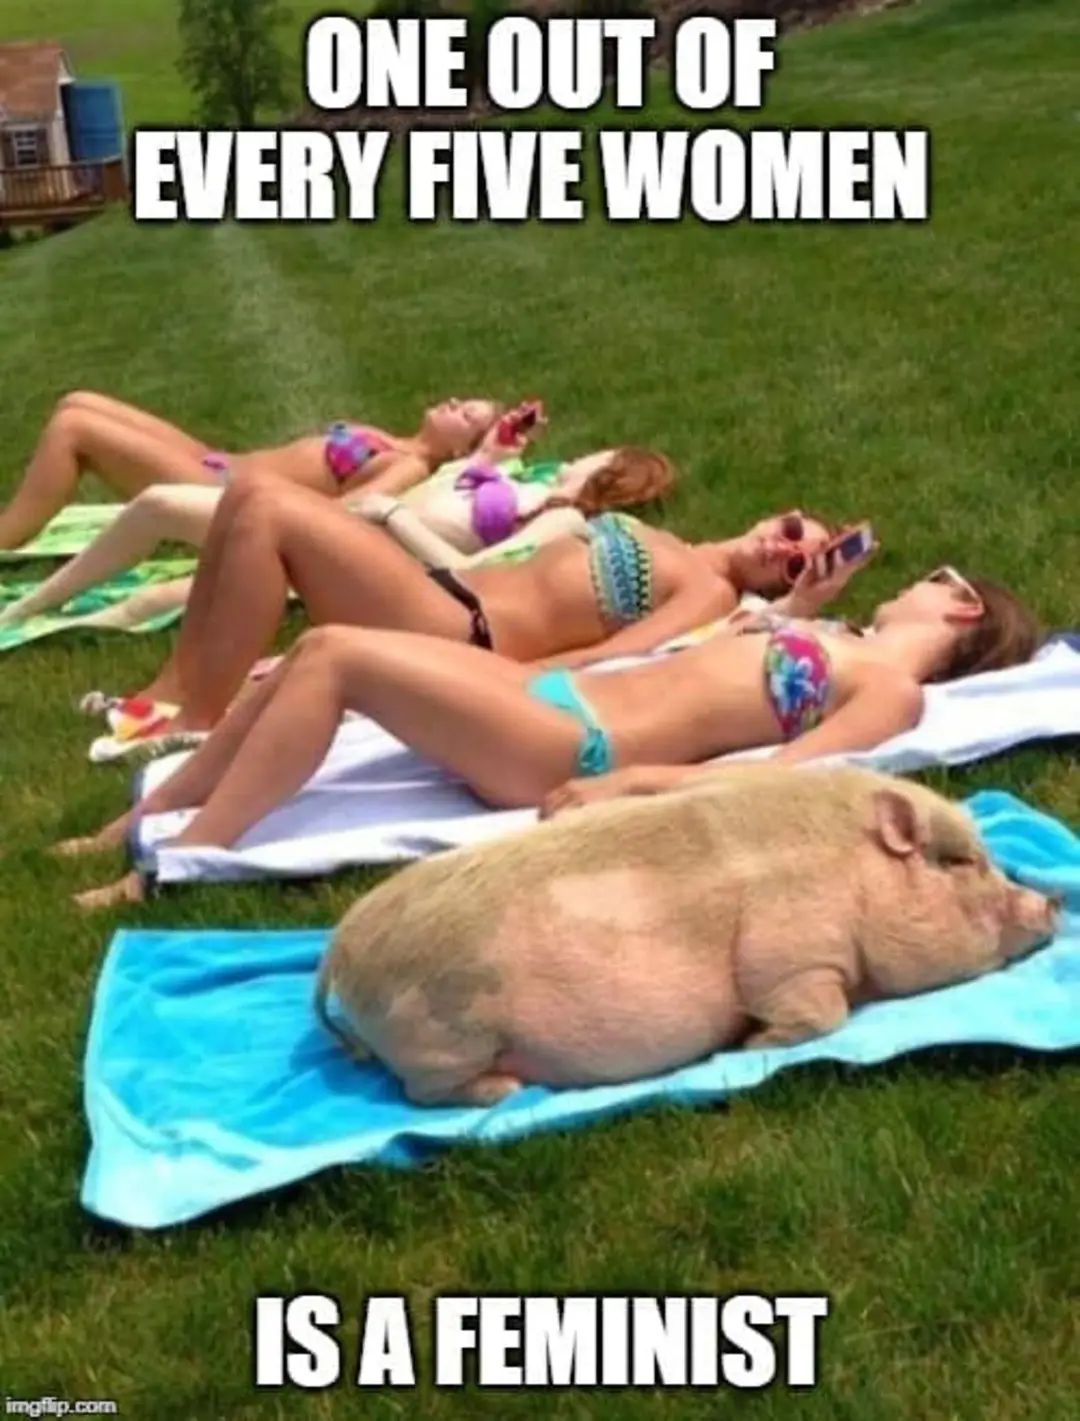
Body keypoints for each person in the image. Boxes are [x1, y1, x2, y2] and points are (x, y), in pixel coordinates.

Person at [61, 566, 1040, 910]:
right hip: (553, 696)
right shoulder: (845, 642)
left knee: (334, 661)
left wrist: (630, 789)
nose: (910, 581)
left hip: (579, 742)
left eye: (935, 578)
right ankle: (148, 815)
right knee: (323, 644)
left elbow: (785, 777)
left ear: (962, 609)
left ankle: (183, 859)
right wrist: (799, 608)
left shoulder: (891, 689)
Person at [105, 480, 838, 737]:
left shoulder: (711, 591)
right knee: (246, 500)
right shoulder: (676, 542)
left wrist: (513, 684)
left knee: (267, 508)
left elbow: (622, 657)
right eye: (792, 529)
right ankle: (167, 697)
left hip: (462, 631)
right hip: (444, 590)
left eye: (796, 560)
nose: (783, 546)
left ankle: (195, 722)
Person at [0, 447, 672, 632]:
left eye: (595, 455)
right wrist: (492, 454)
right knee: (159, 513)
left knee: (166, 554)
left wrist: (393, 517)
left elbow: (474, 573)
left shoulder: (565, 522)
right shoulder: (538, 487)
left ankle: (37, 615)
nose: (578, 456)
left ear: (611, 473)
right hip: (348, 525)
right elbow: (461, 491)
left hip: (362, 550)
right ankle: (36, 610)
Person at [0, 389, 516, 552]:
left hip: (219, 489)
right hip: (214, 461)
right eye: (462, 400)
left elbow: (350, 513)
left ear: (460, 450)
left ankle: (6, 534)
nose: (454, 402)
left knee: (73, 430)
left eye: (466, 414)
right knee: (76, 402)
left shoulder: (410, 465)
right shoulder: (400, 443)